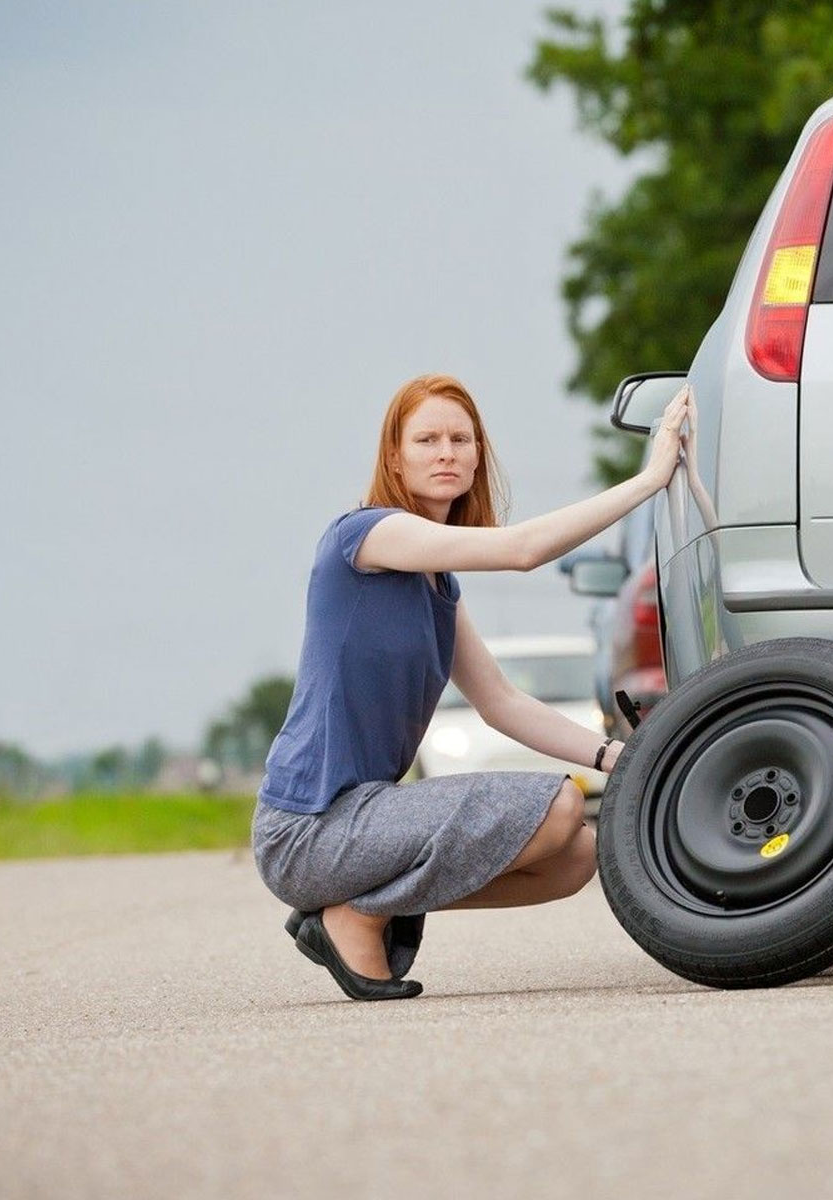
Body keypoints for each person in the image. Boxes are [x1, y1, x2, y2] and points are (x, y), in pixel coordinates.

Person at [252, 372, 691, 1000]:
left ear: (478, 456)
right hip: (306, 829)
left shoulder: (439, 585)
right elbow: (521, 550)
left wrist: (619, 757)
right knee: (559, 805)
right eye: (426, 440)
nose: (446, 453)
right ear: (394, 459)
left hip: (367, 820)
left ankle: (358, 908)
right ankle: (359, 916)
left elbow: (501, 703)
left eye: (461, 440)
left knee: (576, 857)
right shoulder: (366, 536)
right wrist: (650, 480)